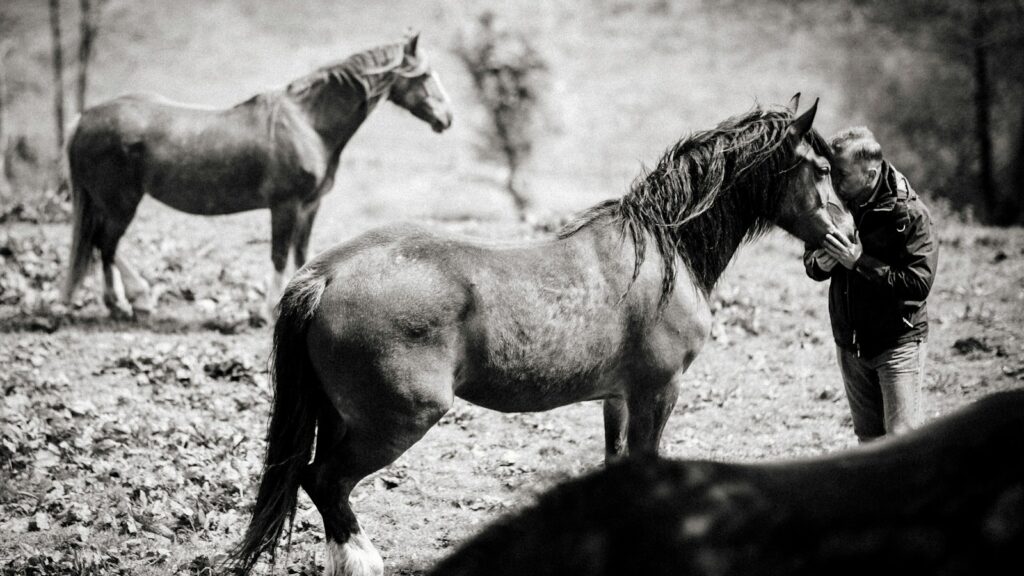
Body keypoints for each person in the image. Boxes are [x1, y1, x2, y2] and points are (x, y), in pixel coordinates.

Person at [804, 127, 938, 443]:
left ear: (870, 175)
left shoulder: (910, 213)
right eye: (831, 173)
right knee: (868, 445)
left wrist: (859, 262)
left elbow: (918, 283)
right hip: (850, 346)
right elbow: (811, 261)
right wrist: (819, 265)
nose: (834, 183)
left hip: (898, 346)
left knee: (902, 445)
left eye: (843, 175)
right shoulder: (832, 206)